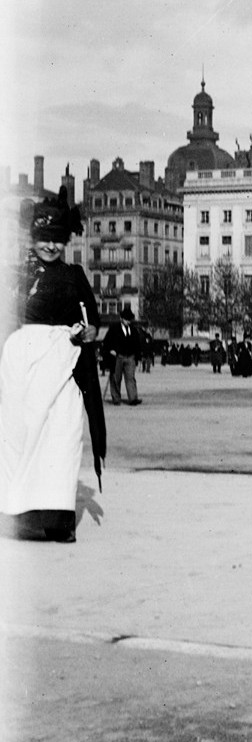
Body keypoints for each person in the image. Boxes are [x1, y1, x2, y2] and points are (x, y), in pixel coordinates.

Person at [0, 189, 105, 543]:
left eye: (58, 240)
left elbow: (92, 316)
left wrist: (92, 329)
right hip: (24, 368)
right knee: (24, 439)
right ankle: (18, 511)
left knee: (62, 439)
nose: (51, 247)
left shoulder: (74, 276)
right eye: (44, 239)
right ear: (33, 239)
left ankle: (58, 521)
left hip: (65, 368)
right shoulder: (15, 276)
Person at [102, 308, 143, 406]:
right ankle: (116, 398)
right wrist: (110, 350)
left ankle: (133, 398)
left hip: (130, 357)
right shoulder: (114, 329)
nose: (128, 321)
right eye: (126, 319)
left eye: (130, 319)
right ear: (121, 319)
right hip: (117, 357)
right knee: (116, 378)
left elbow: (137, 344)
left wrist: (137, 357)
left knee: (130, 378)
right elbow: (106, 342)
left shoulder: (133, 330)